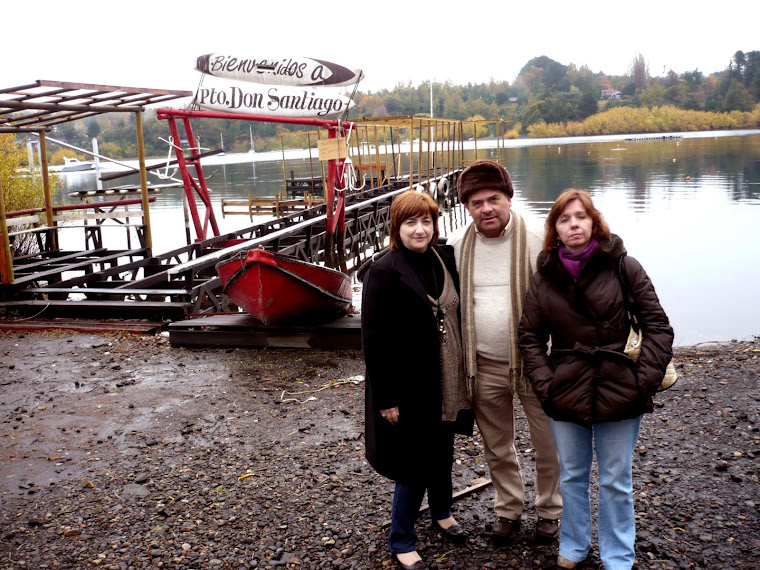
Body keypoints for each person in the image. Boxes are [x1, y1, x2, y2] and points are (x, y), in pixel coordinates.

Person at [518, 189, 675, 569]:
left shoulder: (625, 266)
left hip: (620, 385)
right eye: (564, 219)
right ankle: (574, 545)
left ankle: (618, 554)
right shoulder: (545, 277)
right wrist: (546, 385)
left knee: (616, 479)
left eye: (581, 217)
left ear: (594, 222)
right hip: (566, 388)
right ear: (554, 228)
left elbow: (658, 327)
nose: (574, 224)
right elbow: (530, 337)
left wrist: (643, 381)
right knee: (571, 475)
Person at [448, 160, 562, 543]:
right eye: (477, 202)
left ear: (508, 198)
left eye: (493, 199)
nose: (487, 209)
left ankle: (549, 509)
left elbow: (561, 298)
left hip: (536, 362)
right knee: (497, 445)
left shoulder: (537, 238)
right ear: (467, 206)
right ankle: (509, 508)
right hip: (482, 365)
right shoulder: (458, 245)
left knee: (548, 442)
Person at [361, 190, 474, 570]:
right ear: (397, 227)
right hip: (410, 384)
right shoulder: (383, 271)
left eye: (426, 221)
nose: (420, 229)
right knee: (413, 461)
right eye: (411, 222)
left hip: (449, 375)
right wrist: (386, 398)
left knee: (443, 448)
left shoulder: (445, 259)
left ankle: (442, 512)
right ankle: (402, 539)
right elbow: (373, 341)